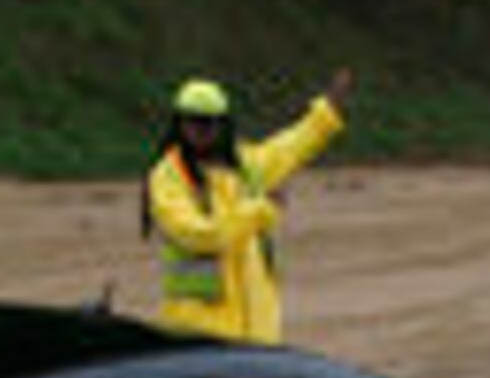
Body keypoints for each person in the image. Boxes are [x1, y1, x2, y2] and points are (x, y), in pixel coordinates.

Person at [142, 70, 350, 343]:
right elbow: (203, 236)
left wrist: (324, 114)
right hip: (198, 336)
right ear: (178, 124)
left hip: (257, 332)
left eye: (208, 122)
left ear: (223, 124)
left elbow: (288, 148)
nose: (200, 130)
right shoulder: (168, 178)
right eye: (192, 121)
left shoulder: (245, 166)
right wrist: (260, 210)